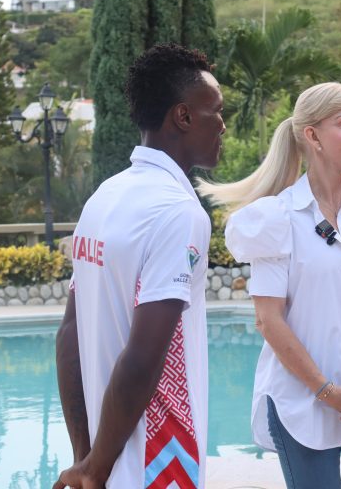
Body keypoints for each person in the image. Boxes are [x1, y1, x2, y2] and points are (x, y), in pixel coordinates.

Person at [198, 82, 341, 489]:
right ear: (313, 136)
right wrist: (326, 390)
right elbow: (269, 320)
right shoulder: (277, 219)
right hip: (302, 402)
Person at [54, 43, 225, 489]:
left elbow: (70, 334)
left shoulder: (104, 197)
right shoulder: (178, 213)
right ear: (183, 116)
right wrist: (95, 466)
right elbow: (144, 358)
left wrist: (86, 457)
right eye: (216, 112)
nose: (223, 125)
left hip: (107, 457)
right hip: (159, 463)